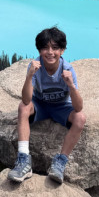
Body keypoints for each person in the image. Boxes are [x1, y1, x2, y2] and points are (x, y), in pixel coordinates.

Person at [7, 26, 86, 183]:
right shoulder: (35, 66)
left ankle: (60, 162)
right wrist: (29, 76)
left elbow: (78, 107)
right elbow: (26, 100)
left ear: (62, 50)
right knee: (23, 107)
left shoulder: (67, 69)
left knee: (80, 118)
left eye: (55, 48)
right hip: (40, 105)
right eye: (45, 48)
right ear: (39, 50)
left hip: (61, 107)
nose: (50, 52)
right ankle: (23, 160)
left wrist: (71, 85)